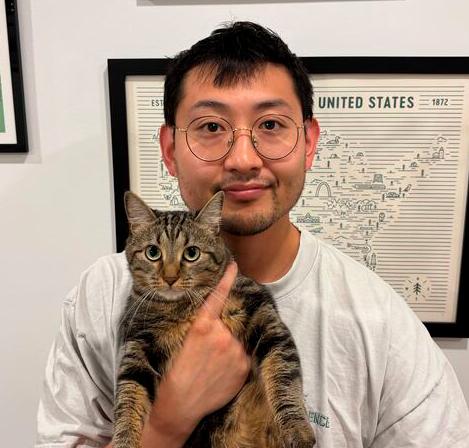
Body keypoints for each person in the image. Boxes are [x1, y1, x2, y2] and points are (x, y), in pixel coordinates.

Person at [36, 22, 469, 448]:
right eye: (211, 127)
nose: (243, 159)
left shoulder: (381, 323)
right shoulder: (99, 296)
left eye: (271, 125)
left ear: (308, 143)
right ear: (169, 150)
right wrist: (165, 426)